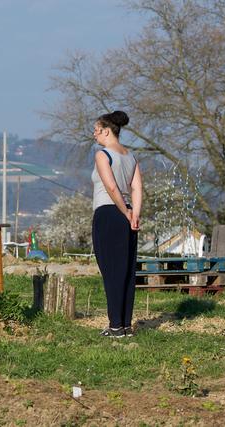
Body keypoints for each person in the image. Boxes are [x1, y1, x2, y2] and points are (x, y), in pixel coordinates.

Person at [91, 111, 142, 338]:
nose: (94, 135)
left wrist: (124, 211)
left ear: (106, 130)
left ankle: (114, 327)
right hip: (127, 215)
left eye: (96, 130)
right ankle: (125, 325)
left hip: (108, 214)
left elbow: (111, 188)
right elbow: (137, 188)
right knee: (127, 271)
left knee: (111, 271)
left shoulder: (103, 155)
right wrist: (134, 214)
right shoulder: (131, 157)